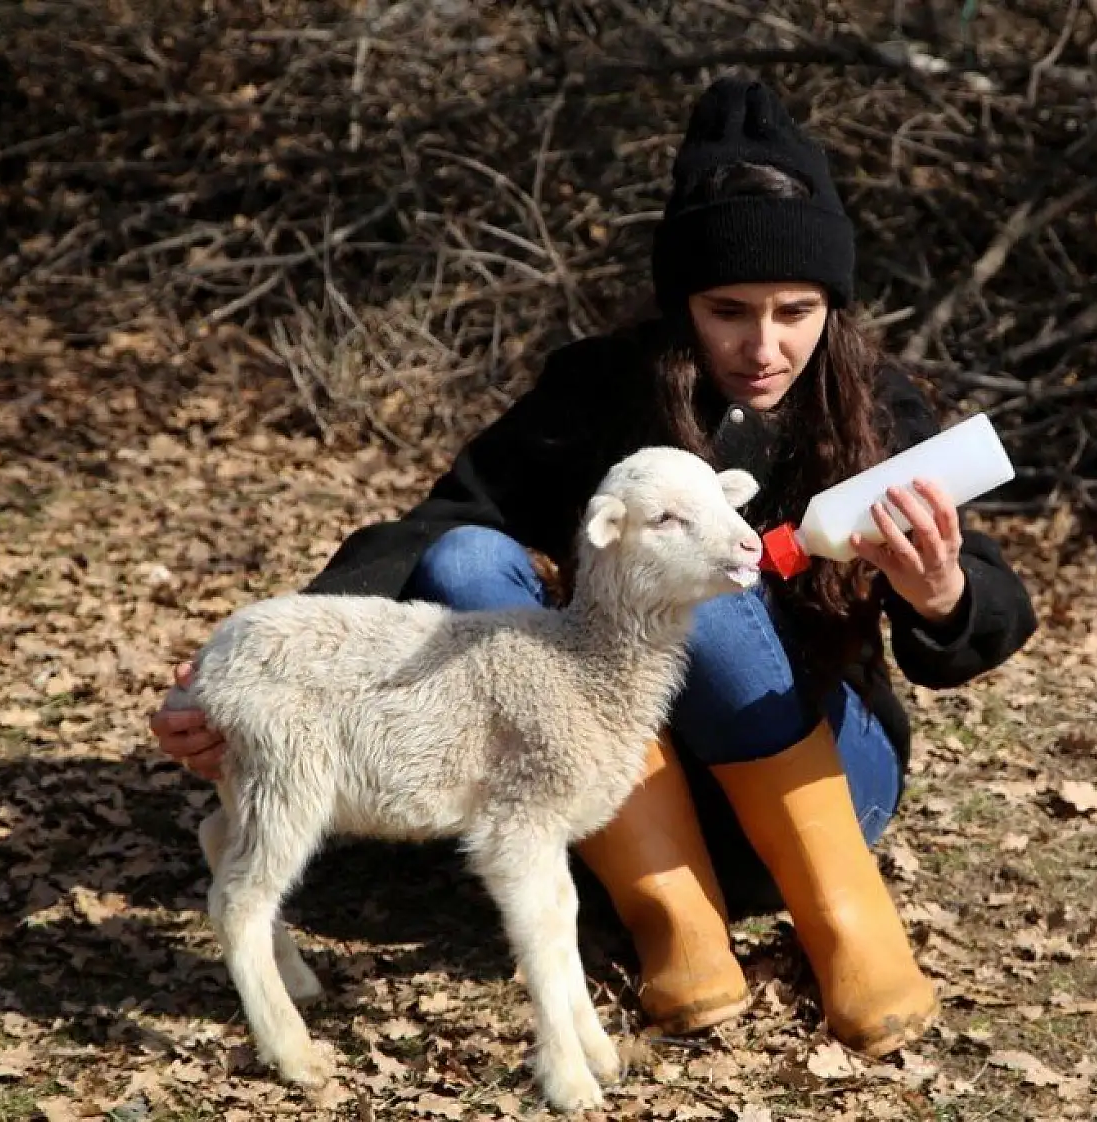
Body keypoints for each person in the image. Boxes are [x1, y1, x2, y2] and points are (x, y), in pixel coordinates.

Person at [150, 74, 1037, 1060]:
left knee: (717, 591)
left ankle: (846, 922)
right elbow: (440, 527)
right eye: (727, 308)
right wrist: (270, 670)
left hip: (823, 778)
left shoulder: (869, 401)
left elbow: (990, 608)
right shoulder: (600, 392)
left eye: (796, 309)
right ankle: (670, 920)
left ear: (831, 302)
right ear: (679, 302)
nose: (763, 344)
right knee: (472, 564)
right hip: (608, 784)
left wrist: (941, 591)